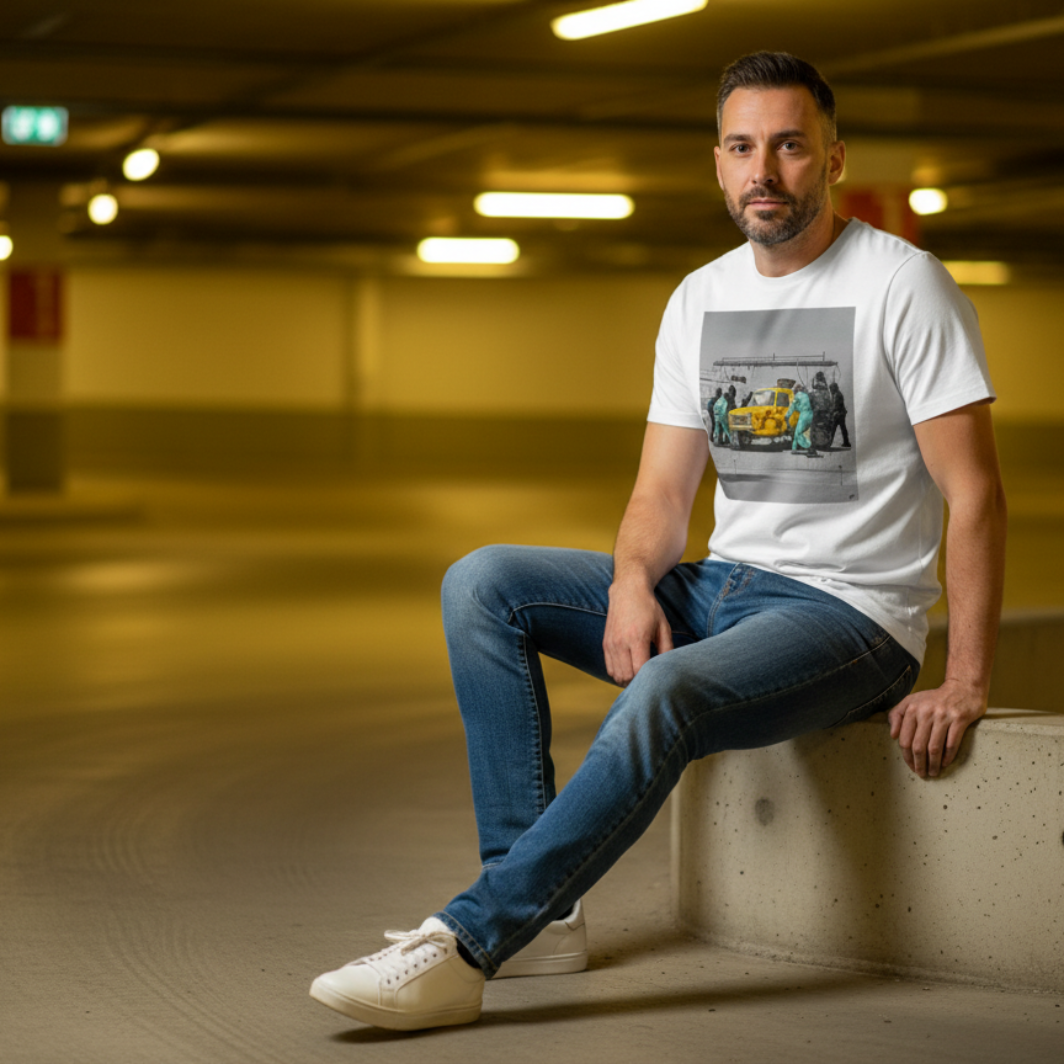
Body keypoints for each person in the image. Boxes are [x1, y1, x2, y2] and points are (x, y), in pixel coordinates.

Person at [310, 51, 1006, 1032]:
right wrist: (636, 580)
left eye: (787, 145)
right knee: (483, 582)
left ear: (832, 158)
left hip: (847, 616)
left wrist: (963, 678)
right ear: (716, 165)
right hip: (720, 584)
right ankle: (542, 912)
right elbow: (659, 488)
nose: (762, 168)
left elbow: (972, 497)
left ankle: (467, 944)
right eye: (739, 147)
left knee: (662, 687)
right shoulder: (697, 299)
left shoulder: (904, 287)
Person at [784, 383, 817, 456]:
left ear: (795, 390)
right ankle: (796, 449)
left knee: (797, 433)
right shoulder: (805, 395)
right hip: (811, 414)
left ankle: (808, 448)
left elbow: (792, 407)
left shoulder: (797, 396)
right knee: (806, 433)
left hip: (804, 415)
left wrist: (786, 416)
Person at [830, 380, 852, 447]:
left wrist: (831, 412)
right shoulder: (837, 394)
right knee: (842, 429)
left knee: (833, 429)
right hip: (840, 414)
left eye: (831, 389)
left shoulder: (837, 395)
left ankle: (829, 443)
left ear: (834, 388)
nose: (830, 391)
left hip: (838, 414)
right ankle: (846, 442)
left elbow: (836, 406)